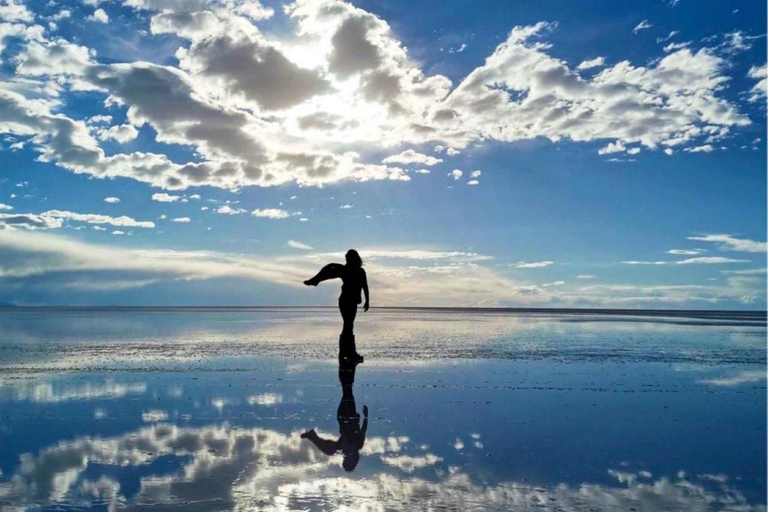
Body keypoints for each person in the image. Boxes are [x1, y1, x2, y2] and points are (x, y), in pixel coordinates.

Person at [301, 360, 368, 472]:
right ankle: (350, 366)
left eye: (345, 460)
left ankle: (350, 366)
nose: (345, 458)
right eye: (347, 460)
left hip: (342, 417)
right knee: (347, 389)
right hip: (350, 415)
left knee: (346, 389)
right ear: (353, 460)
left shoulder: (343, 448)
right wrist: (366, 417)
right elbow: (363, 430)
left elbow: (333, 447)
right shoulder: (357, 445)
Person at [304, 249, 369, 362]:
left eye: (348, 257)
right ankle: (348, 352)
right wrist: (319, 278)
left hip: (352, 301)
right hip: (345, 300)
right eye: (346, 257)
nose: (346, 259)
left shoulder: (359, 271)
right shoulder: (345, 269)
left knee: (348, 325)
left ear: (353, 258)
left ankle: (347, 352)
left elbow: (365, 286)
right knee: (348, 325)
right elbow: (330, 272)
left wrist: (368, 301)